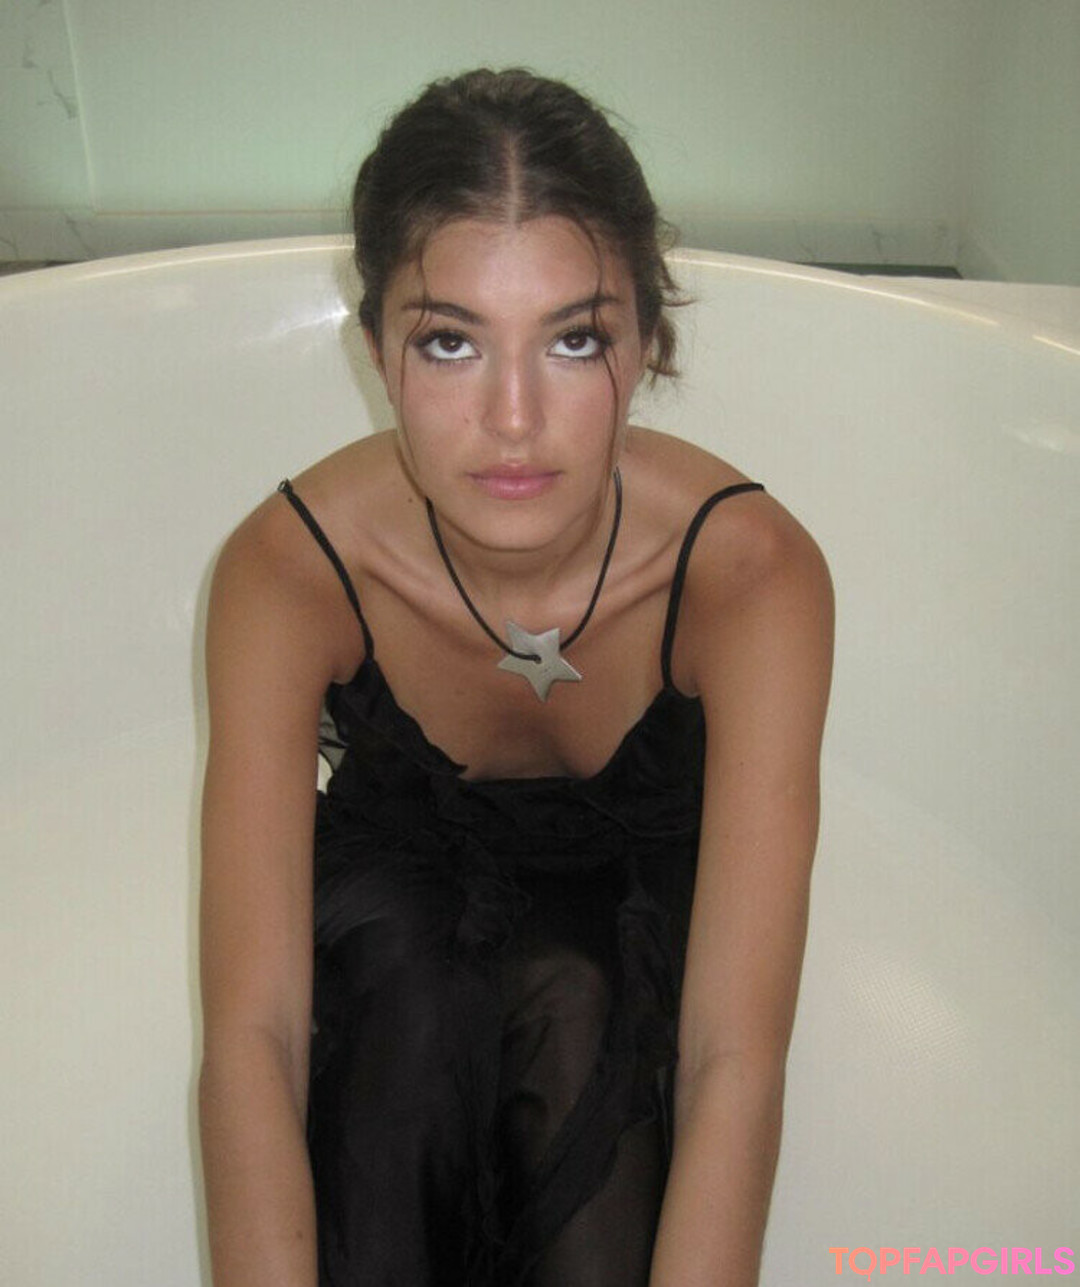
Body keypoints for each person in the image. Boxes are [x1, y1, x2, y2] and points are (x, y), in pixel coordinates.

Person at [198, 67, 833, 1287]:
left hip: (636, 912)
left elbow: (735, 1059)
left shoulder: (749, 578)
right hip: (398, 904)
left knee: (583, 1000)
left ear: (648, 342)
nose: (513, 419)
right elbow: (252, 1038)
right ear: (377, 350)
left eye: (574, 339)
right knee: (405, 1014)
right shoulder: (291, 572)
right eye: (450, 342)